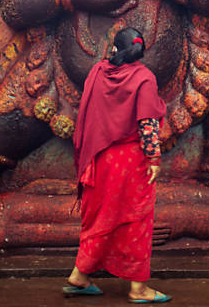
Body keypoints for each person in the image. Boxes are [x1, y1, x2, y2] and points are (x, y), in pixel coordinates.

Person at [64, 27, 171, 303]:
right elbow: (147, 123)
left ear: (115, 49)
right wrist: (154, 158)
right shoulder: (144, 78)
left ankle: (80, 275)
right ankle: (138, 289)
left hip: (98, 159)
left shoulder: (98, 72)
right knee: (137, 219)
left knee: (101, 217)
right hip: (130, 160)